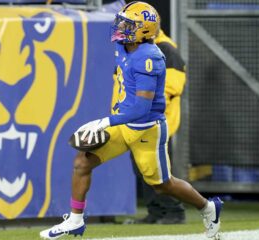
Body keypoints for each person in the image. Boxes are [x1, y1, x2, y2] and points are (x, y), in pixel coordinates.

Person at [39, 2, 223, 239]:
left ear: (144, 30)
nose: (121, 26)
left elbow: (141, 109)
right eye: (122, 21)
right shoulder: (125, 47)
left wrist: (105, 121)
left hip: (146, 129)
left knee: (161, 185)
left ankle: (208, 208)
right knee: (82, 163)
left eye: (128, 24)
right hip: (123, 125)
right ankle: (75, 220)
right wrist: (112, 117)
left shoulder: (150, 57)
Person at [120, 29, 187, 224]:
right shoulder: (136, 49)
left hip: (154, 121)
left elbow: (172, 87)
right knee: (142, 168)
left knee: (158, 170)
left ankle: (174, 211)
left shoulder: (166, 49)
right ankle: (156, 212)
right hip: (136, 119)